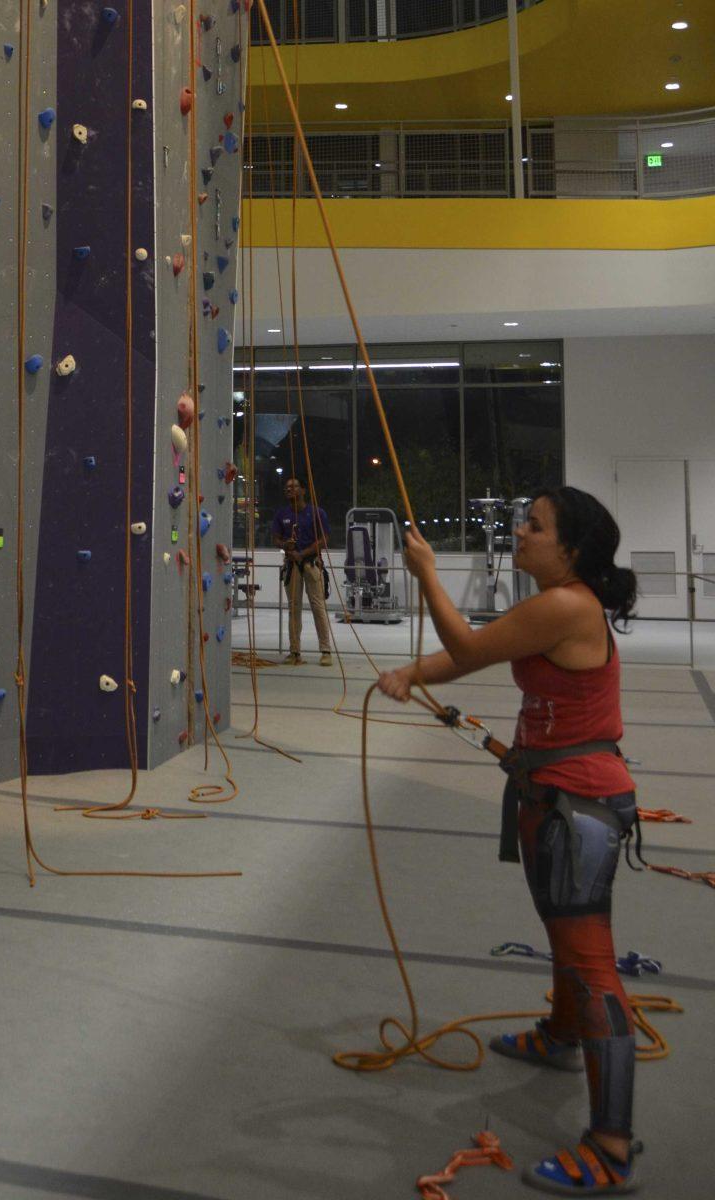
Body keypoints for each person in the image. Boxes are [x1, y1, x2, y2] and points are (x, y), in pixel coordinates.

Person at [379, 487, 642, 1196]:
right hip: (549, 796)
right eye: (523, 520)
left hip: (576, 806)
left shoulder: (567, 605)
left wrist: (425, 571)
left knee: (590, 965)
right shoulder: (554, 606)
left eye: (535, 525)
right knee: (563, 934)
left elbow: (465, 645)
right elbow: (479, 654)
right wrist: (410, 672)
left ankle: (611, 1144)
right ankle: (561, 1035)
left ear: (572, 550)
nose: (520, 532)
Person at [272, 477, 333, 666]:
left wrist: (303, 553)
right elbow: (276, 538)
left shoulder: (316, 513)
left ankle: (326, 650)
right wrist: (285, 545)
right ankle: (294, 651)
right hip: (292, 565)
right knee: (293, 607)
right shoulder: (282, 514)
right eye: (287, 488)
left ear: (303, 490)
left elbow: (324, 539)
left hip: (311, 563)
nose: (289, 490)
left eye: (294, 487)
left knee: (317, 606)